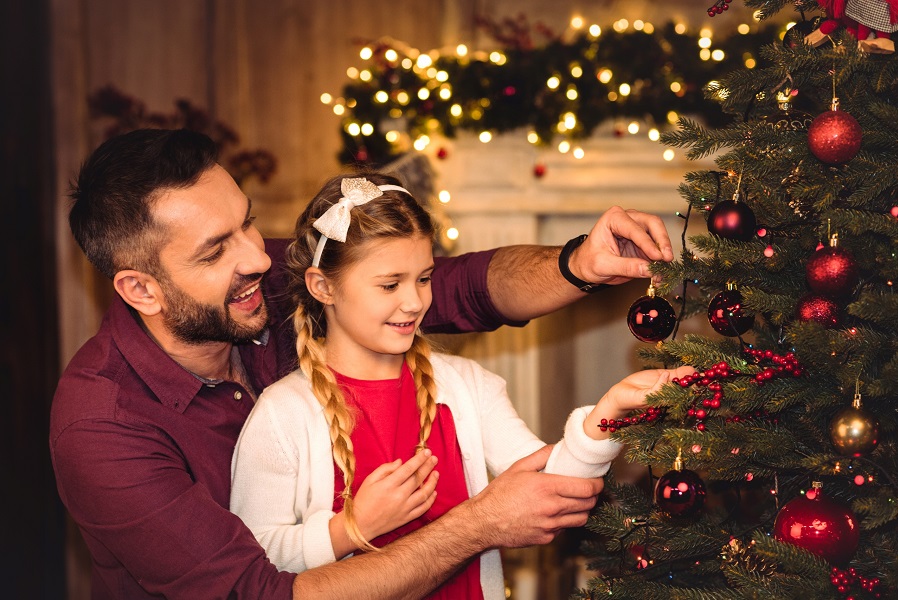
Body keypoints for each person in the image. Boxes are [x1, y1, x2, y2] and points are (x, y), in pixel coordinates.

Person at [50, 128, 676, 600]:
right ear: (141, 289)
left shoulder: (263, 288)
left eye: (247, 224)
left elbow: (459, 288)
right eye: (217, 251)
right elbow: (261, 592)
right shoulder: (101, 426)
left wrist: (578, 264)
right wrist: (472, 526)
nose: (260, 260)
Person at [229, 174, 692, 599]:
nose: (414, 302)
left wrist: (608, 412)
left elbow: (556, 492)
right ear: (322, 287)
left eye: (425, 278)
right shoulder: (281, 414)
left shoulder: (470, 389)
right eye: (389, 285)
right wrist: (352, 528)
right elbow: (254, 566)